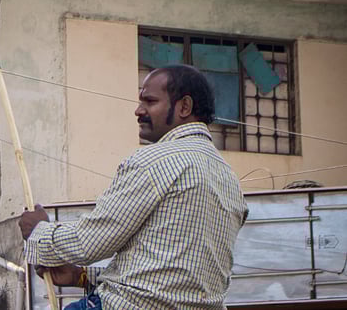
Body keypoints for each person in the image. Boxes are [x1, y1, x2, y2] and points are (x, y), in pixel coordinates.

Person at [19, 65, 249, 310]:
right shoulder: (230, 180)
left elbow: (89, 242)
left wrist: (39, 231)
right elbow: (169, 277)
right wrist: (79, 276)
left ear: (184, 107)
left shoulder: (153, 161)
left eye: (150, 101)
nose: (138, 111)